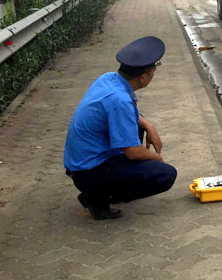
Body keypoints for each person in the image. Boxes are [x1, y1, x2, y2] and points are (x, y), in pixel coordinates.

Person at [64, 37, 177, 220]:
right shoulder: (120, 101)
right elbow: (133, 152)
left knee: (138, 125)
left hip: (82, 162)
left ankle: (104, 188)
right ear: (143, 77)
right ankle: (97, 198)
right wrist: (157, 158)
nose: (152, 77)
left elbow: (129, 115)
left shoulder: (108, 79)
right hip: (90, 171)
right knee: (165, 174)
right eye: (152, 73)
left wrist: (149, 125)